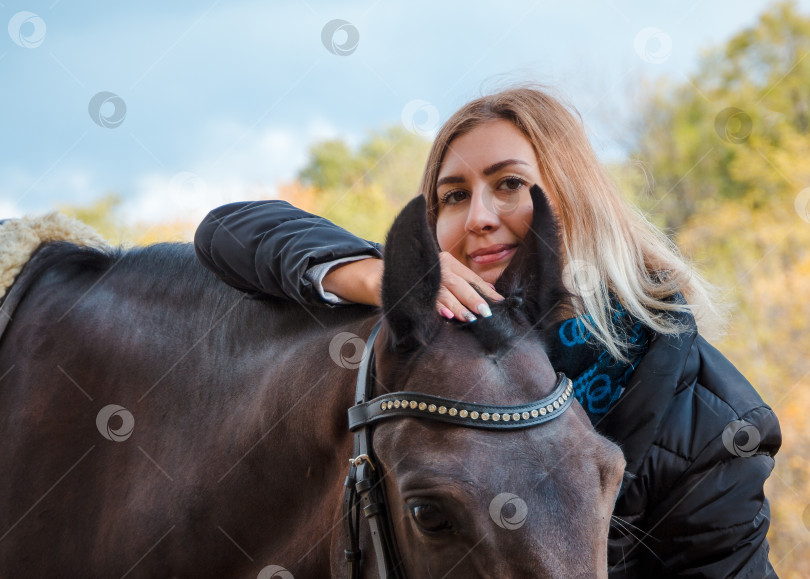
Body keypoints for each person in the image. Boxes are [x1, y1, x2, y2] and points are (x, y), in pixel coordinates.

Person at [194, 85, 781, 578]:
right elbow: (228, 228)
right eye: (453, 196)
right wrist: (374, 275)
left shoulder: (714, 428)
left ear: (572, 196)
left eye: (509, 184)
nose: (479, 217)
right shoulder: (431, 332)